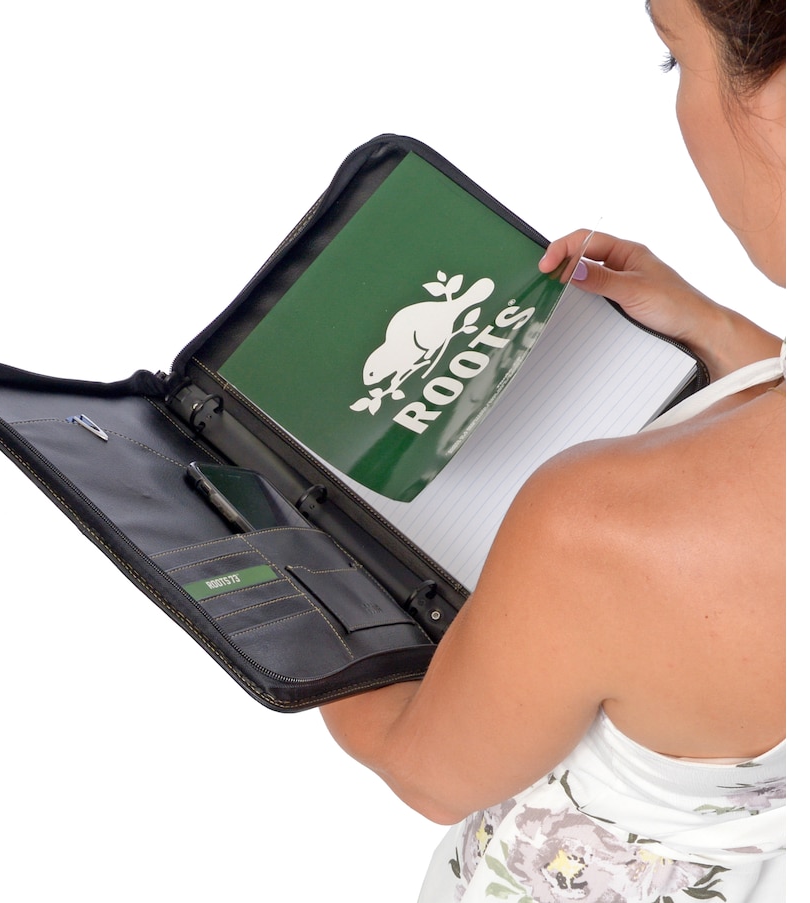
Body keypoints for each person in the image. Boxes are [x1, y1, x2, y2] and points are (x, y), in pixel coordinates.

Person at [320, 0, 786, 900]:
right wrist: (720, 331)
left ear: (784, 95)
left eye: (674, 58)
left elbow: (427, 769)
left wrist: (295, 598)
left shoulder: (598, 526)